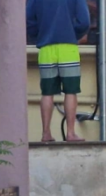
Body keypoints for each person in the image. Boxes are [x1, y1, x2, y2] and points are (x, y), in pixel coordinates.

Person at [27, 0, 90, 143]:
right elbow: (84, 22)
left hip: (46, 48)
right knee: (70, 90)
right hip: (68, 46)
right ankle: (70, 133)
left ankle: (46, 133)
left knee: (47, 92)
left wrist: (39, 34)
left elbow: (29, 19)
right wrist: (73, 33)